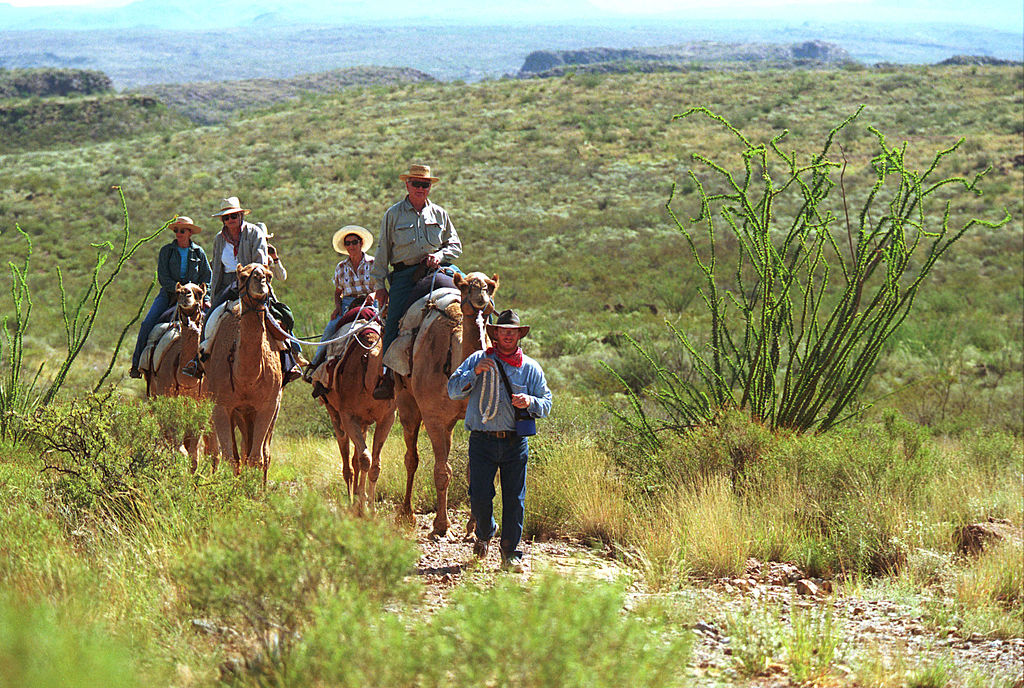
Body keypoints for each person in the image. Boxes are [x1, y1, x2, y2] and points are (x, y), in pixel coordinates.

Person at [447, 310, 552, 572]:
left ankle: (510, 554)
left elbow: (547, 403)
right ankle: (485, 530)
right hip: (482, 440)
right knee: (479, 496)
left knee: (515, 499)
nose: (507, 335)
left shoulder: (530, 367)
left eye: (512, 332)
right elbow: (452, 390)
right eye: (503, 330)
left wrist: (530, 402)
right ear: (495, 333)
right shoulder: (478, 359)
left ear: (519, 335)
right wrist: (474, 373)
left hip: (515, 442)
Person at [183, 196, 301, 383]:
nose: (231, 220)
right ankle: (198, 361)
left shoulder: (254, 233)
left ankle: (290, 358)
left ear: (241, 216)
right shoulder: (219, 239)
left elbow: (260, 263)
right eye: (227, 217)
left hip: (252, 280)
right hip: (228, 284)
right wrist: (213, 296)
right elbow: (217, 270)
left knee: (278, 315)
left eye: (234, 216)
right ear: (223, 220)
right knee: (210, 318)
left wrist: (247, 279)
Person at [371, 163, 462, 399]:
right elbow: (382, 251)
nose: (421, 188)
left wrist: (440, 255)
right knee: (393, 320)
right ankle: (388, 376)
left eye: (425, 184)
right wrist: (379, 285)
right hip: (406, 274)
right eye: (416, 184)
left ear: (430, 187)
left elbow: (455, 245)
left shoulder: (440, 214)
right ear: (407, 185)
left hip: (440, 268)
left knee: (475, 297)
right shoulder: (393, 214)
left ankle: (491, 352)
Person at [129, 215, 211, 378]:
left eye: (182, 231)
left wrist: (206, 298)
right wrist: (178, 289)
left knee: (210, 325)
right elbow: (163, 276)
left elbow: (207, 277)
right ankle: (137, 365)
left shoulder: (199, 252)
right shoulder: (166, 251)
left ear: (190, 233)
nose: (179, 233)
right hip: (169, 294)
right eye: (176, 230)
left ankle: (212, 366)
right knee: (147, 323)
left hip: (194, 296)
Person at [304, 225, 376, 384]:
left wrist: (373, 294)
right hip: (348, 304)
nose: (351, 246)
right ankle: (315, 365)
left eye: (354, 242)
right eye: (347, 243)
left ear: (361, 243)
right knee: (330, 329)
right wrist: (337, 307)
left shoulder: (373, 263)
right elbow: (338, 292)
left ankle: (390, 370)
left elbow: (380, 286)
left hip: (370, 303)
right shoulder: (341, 267)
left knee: (389, 328)